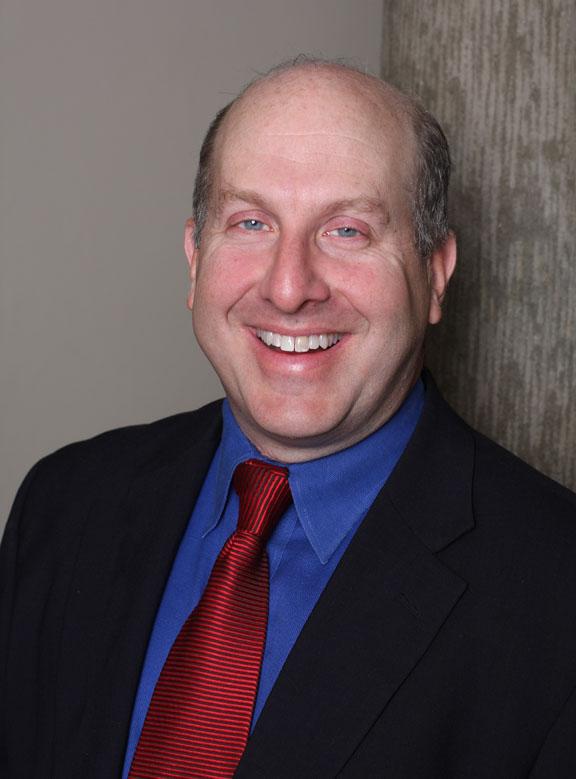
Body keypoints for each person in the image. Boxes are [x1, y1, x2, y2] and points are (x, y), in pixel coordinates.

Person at [1, 58, 575, 779]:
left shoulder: (556, 595)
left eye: (347, 230)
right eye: (251, 222)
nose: (289, 286)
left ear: (435, 273)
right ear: (195, 258)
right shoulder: (63, 505)